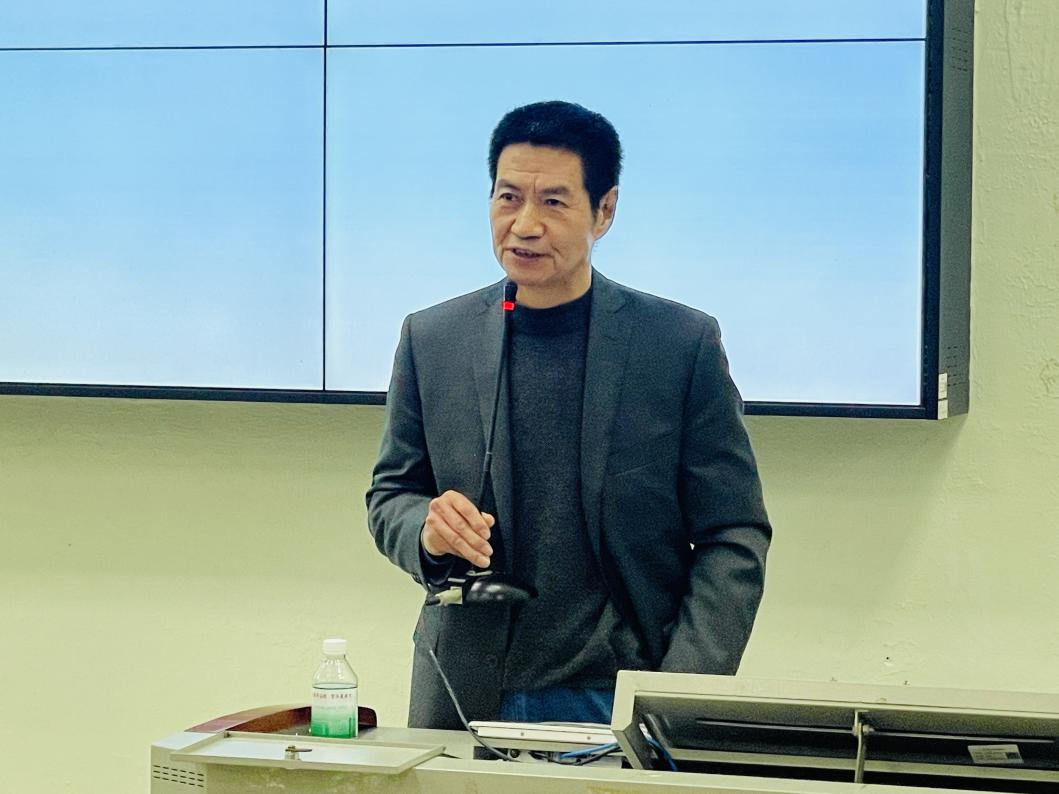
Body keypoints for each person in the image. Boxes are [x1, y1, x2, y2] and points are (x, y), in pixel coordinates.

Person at [367, 100, 771, 730]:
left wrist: (679, 692)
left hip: (622, 693)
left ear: (604, 210)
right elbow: (391, 495)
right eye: (508, 198)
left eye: (553, 202)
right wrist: (427, 531)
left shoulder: (677, 344)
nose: (525, 225)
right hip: (467, 691)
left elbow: (733, 534)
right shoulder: (433, 338)